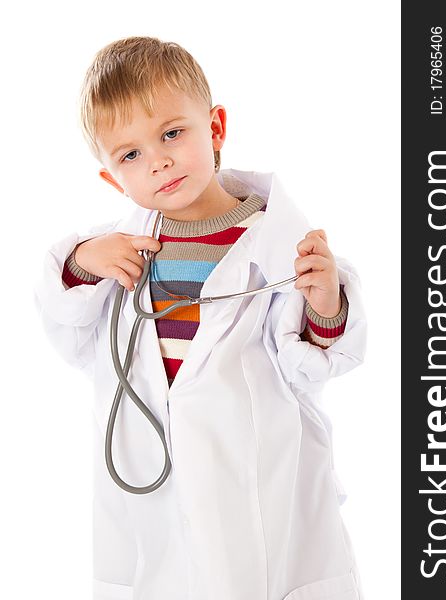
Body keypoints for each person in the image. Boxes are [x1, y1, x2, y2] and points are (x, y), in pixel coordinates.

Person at [34, 36, 367, 600]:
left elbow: (312, 364)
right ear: (114, 180)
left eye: (171, 133)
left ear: (214, 128)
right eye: (130, 155)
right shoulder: (119, 253)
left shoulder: (279, 246)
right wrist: (81, 262)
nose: (158, 160)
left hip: (260, 483)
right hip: (157, 491)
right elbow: (68, 331)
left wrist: (325, 301)